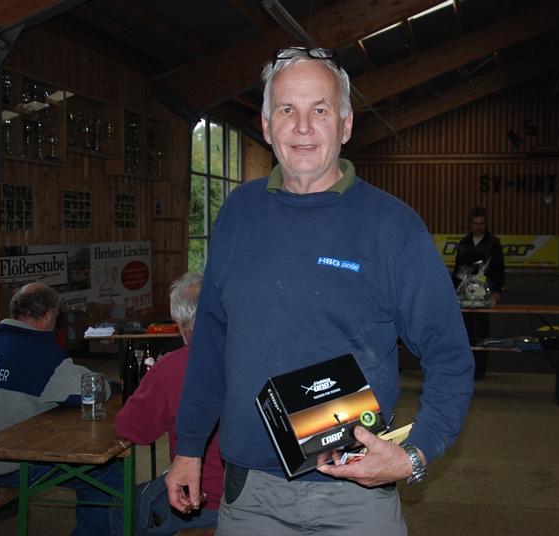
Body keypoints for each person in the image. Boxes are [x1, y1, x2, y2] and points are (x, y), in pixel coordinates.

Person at [164, 46, 475, 535]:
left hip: (357, 495)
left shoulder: (393, 227)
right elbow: (210, 345)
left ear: (346, 125)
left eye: (321, 110)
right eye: (287, 110)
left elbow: (451, 355)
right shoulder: (238, 214)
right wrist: (188, 447)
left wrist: (415, 453)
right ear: (266, 125)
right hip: (251, 495)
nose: (303, 127)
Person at [0, 282, 121, 536]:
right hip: (11, 466)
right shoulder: (41, 354)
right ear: (48, 315)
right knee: (106, 472)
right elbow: (95, 390)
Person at [111, 272, 224, 535]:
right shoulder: (249, 356)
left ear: (178, 323)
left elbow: (131, 429)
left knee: (119, 506)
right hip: (257, 497)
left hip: (201, 503)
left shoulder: (171, 367)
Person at [452, 206, 506, 378]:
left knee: (481, 332)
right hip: (464, 295)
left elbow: (499, 269)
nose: (478, 226)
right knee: (464, 332)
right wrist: (454, 290)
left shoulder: (493, 243)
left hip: (484, 295)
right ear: (470, 224)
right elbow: (457, 269)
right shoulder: (464, 242)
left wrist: (497, 290)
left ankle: (480, 369)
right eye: (475, 223)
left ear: (486, 223)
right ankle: (464, 368)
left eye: (481, 223)